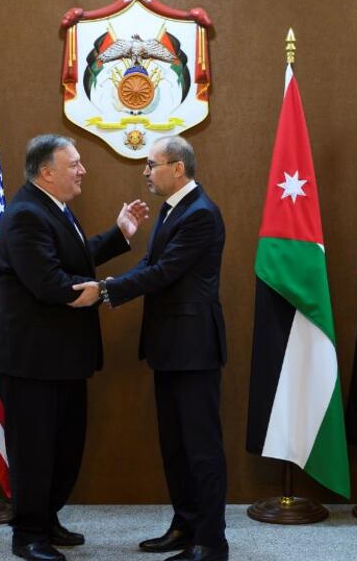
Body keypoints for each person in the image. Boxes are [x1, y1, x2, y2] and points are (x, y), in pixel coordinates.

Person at [0, 134, 149, 561]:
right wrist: (109, 289)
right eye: (74, 163)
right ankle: (28, 535)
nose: (82, 170)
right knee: (34, 449)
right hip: (30, 359)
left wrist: (119, 235)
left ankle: (47, 517)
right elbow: (51, 283)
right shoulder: (25, 215)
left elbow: (73, 257)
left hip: (61, 358)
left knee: (64, 446)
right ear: (46, 172)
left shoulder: (52, 209)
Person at [71, 136, 228, 561]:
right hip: (169, 347)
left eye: (151, 164)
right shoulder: (172, 209)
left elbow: (166, 271)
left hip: (194, 348)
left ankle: (211, 542)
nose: (145, 172)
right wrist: (110, 289)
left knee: (201, 447)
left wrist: (105, 289)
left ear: (178, 168)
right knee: (175, 445)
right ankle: (185, 525)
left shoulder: (201, 214)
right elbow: (150, 264)